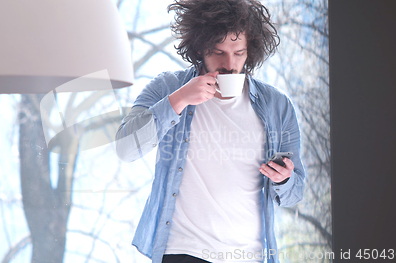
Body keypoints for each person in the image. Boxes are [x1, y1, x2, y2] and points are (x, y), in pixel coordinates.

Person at [115, 0, 306, 262]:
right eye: (218, 52)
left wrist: (284, 178)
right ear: (200, 48)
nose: (230, 64)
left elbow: (295, 193)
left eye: (238, 53)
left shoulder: (278, 106)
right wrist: (178, 100)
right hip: (183, 251)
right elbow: (126, 148)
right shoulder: (167, 87)